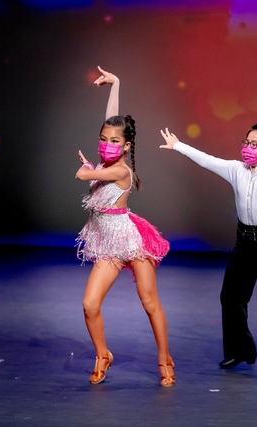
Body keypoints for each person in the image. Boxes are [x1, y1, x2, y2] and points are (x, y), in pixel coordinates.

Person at [159, 124, 257, 379]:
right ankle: (240, 350)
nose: (247, 148)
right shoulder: (236, 169)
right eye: (246, 142)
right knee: (231, 298)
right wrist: (178, 146)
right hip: (244, 242)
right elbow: (207, 160)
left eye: (255, 145)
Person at [75, 67, 175, 387]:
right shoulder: (107, 158)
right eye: (103, 139)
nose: (107, 144)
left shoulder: (120, 171)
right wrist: (116, 83)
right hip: (108, 245)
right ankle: (102, 354)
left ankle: (164, 359)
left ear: (127, 146)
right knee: (90, 304)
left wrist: (86, 170)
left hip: (131, 241)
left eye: (114, 141)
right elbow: (112, 119)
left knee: (149, 302)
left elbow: (86, 175)